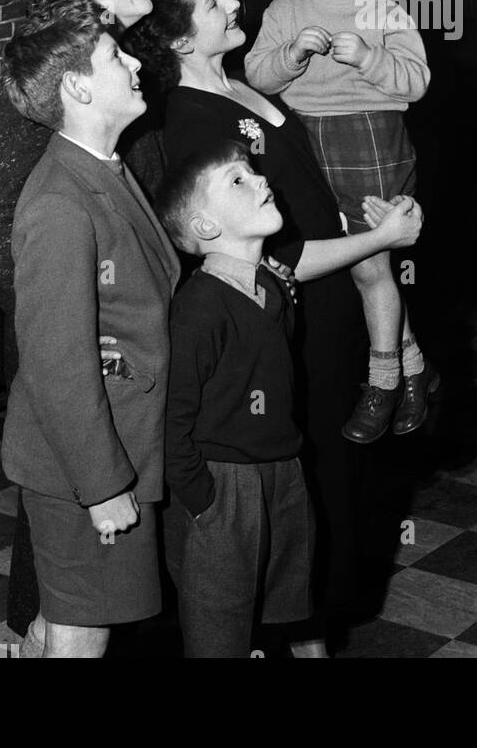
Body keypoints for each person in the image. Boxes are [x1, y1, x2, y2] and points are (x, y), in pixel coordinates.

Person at [126, 0, 404, 649]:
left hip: (335, 311)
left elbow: (308, 196)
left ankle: (312, 634)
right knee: (318, 480)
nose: (231, 2)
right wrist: (378, 242)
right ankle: (304, 635)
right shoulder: (193, 121)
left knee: (332, 489)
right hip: (297, 322)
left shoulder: (245, 83)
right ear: (183, 40)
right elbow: (275, 257)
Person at [0, 0, 159, 650]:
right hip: (68, 344)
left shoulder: (125, 63)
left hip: (104, 352)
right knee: (68, 577)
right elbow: (6, 233)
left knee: (80, 597)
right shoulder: (64, 82)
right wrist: (82, 326)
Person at [158, 141, 422, 657]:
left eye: (253, 172)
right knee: (218, 634)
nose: (260, 180)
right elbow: (171, 423)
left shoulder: (272, 288)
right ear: (206, 228)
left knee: (284, 610)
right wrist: (204, 501)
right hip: (224, 485)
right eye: (237, 181)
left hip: (282, 473)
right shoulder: (199, 309)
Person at [0, 0, 181, 658]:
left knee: (60, 621)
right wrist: (103, 485)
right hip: (80, 467)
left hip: (117, 447)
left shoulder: (104, 166)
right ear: (76, 86)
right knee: (81, 636)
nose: (135, 61)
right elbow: (58, 364)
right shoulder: (58, 202)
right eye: (115, 56)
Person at [244, 0, 435, 445]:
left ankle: (384, 382)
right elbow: (258, 73)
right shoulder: (285, 8)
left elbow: (416, 83)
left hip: (370, 139)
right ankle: (416, 366)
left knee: (370, 266)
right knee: (357, 262)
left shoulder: (387, 12)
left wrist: (367, 60)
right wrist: (293, 53)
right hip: (304, 141)